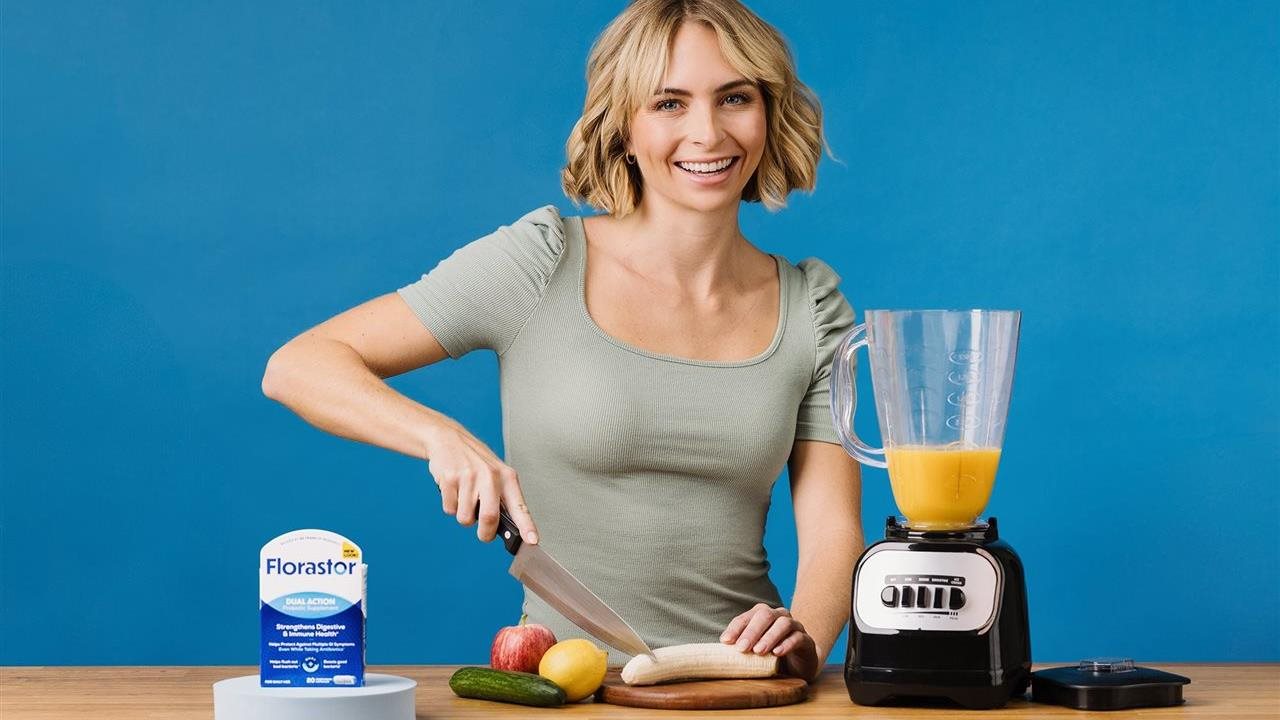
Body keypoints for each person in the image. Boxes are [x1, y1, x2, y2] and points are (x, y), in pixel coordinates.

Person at [262, 0, 862, 683]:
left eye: (735, 97)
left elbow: (834, 534)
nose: (708, 132)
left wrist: (804, 641)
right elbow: (298, 365)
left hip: (748, 688)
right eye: (669, 102)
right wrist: (441, 437)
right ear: (624, 128)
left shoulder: (813, 308)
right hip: (564, 687)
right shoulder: (540, 263)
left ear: (767, 113)